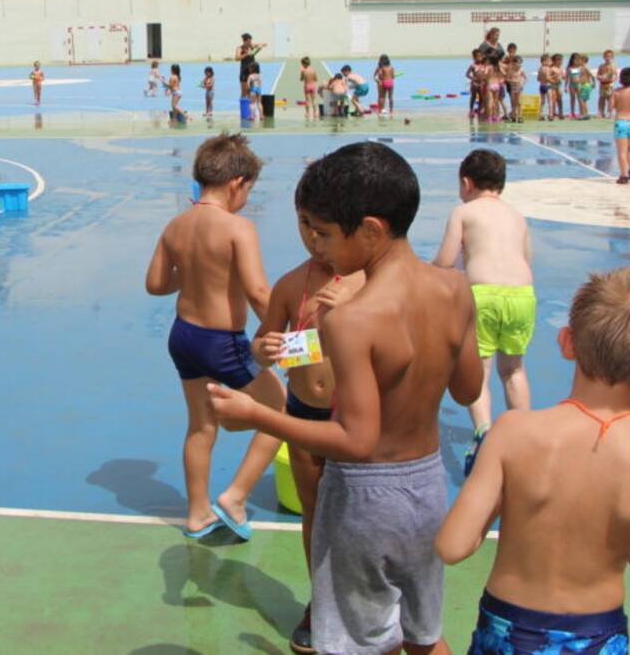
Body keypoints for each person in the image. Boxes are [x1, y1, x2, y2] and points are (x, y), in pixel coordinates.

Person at [207, 141, 483, 655]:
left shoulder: (354, 319)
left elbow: (356, 440)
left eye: (327, 233)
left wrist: (256, 414)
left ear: (372, 230)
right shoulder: (456, 288)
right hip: (426, 488)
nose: (318, 245)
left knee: (354, 642)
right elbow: (469, 389)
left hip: (365, 497)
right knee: (423, 634)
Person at [436, 268, 630, 653]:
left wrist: (507, 500)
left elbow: (452, 545)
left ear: (567, 342)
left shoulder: (513, 433)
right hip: (596, 638)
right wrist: (622, 535)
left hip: (507, 634)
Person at [144, 133, 285, 540]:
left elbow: (155, 284)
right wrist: (289, 337)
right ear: (237, 183)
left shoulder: (176, 224)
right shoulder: (238, 228)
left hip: (183, 336)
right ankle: (236, 496)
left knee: (201, 426)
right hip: (221, 342)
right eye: (249, 190)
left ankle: (196, 514)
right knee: (281, 410)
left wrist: (191, 272)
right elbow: (259, 292)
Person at [249, 206, 365, 653]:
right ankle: (322, 603)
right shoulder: (290, 283)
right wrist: (265, 348)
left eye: (324, 230)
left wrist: (352, 313)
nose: (315, 240)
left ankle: (362, 599)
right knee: (314, 514)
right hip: (303, 414)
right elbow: (260, 345)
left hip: (353, 416)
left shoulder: (364, 280)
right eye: (305, 227)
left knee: (359, 515)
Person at [434, 149, 534, 476]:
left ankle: (484, 433)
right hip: (522, 295)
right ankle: (522, 439)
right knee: (514, 369)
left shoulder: (464, 212)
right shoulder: (517, 216)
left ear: (467, 183)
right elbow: (526, 258)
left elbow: (447, 261)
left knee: (482, 369)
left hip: (483, 294)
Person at [235, 33, 265, 98]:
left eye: (250, 41)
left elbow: (261, 44)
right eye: (248, 42)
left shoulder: (251, 46)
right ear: (244, 41)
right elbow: (237, 58)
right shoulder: (240, 48)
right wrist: (246, 54)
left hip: (253, 72)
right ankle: (243, 107)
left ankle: (252, 106)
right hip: (244, 71)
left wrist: (261, 46)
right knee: (244, 92)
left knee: (253, 91)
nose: (250, 43)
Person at [597, 49, 617, 118]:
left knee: (610, 98)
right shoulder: (601, 66)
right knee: (601, 98)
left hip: (609, 84)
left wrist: (612, 79)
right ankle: (601, 112)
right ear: (604, 57)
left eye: (609, 57)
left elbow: (615, 75)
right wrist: (600, 77)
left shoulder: (613, 66)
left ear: (612, 58)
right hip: (602, 84)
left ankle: (610, 112)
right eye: (606, 56)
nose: (608, 58)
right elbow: (598, 74)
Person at [536, 55, 552, 122]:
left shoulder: (540, 69)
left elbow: (538, 79)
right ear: (545, 61)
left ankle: (541, 115)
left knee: (542, 101)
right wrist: (553, 79)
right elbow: (548, 78)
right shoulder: (547, 68)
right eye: (549, 61)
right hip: (547, 86)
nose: (550, 62)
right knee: (550, 101)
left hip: (541, 86)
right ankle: (550, 115)